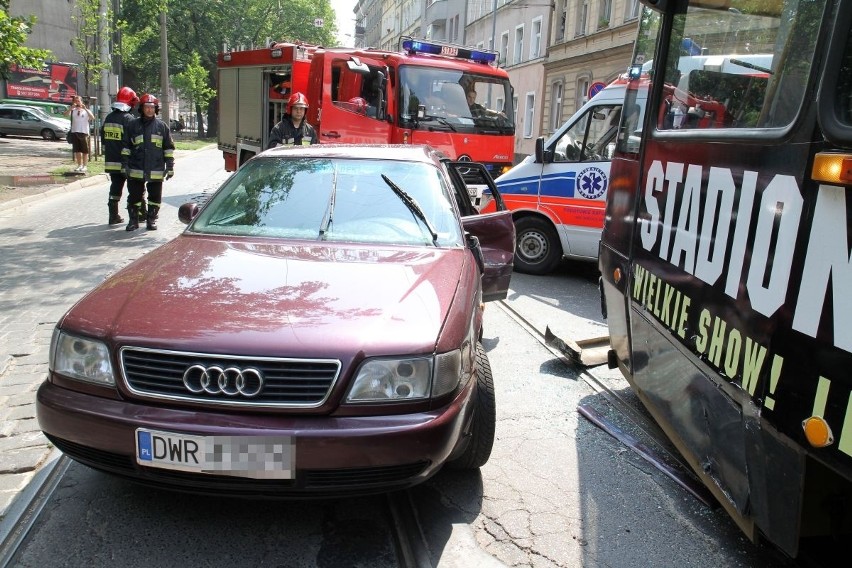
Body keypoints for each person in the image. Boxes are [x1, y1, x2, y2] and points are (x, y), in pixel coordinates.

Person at [122, 94, 175, 232]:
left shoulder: (162, 127)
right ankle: (133, 221)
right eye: (147, 107)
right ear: (142, 108)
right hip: (136, 168)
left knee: (155, 197)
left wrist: (170, 166)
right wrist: (125, 164)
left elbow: (168, 148)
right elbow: (126, 146)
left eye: (152, 107)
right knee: (134, 196)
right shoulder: (132, 125)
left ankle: (151, 220)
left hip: (155, 168)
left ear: (156, 109)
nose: (149, 110)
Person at [100, 86, 139, 225]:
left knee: (115, 187)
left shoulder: (109, 117)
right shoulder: (128, 119)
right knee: (135, 188)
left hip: (111, 160)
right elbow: (133, 141)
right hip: (126, 162)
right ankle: (139, 215)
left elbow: (103, 138)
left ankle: (113, 215)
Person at [64, 95, 94, 172]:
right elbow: (65, 114)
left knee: (85, 150)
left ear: (81, 102)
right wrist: (71, 108)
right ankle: (79, 165)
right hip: (75, 131)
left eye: (78, 101)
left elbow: (92, 118)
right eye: (75, 101)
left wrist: (85, 109)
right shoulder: (73, 110)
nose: (77, 103)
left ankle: (85, 165)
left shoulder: (86, 111)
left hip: (84, 132)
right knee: (77, 150)